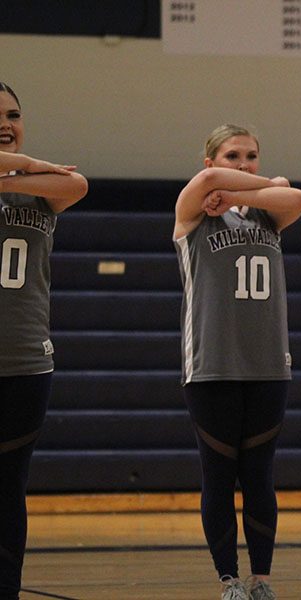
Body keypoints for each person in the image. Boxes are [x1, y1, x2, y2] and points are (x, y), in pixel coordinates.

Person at [173, 124, 301, 600]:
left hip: (269, 363)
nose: (246, 163)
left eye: (252, 156)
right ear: (210, 161)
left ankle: (262, 578)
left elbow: (298, 197)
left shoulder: (269, 216)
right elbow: (205, 187)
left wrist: (244, 192)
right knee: (219, 475)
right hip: (212, 364)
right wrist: (227, 190)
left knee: (259, 476)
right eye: (233, 156)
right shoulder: (193, 212)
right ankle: (228, 579)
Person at [0, 81, 89, 600]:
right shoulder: (37, 175)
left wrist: (24, 169)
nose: (7, 123)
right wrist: (29, 162)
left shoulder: (43, 190)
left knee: (10, 490)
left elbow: (76, 186)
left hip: (26, 361)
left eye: (14, 114)